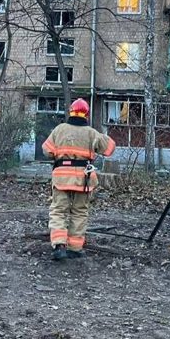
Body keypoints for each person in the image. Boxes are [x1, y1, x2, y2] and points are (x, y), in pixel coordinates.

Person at [42, 98, 116, 261]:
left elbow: (46, 150)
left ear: (71, 112)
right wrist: (100, 134)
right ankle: (75, 248)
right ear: (86, 115)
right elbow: (110, 149)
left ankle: (59, 245)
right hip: (83, 179)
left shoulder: (59, 129)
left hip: (61, 178)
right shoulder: (91, 132)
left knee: (59, 210)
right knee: (79, 211)